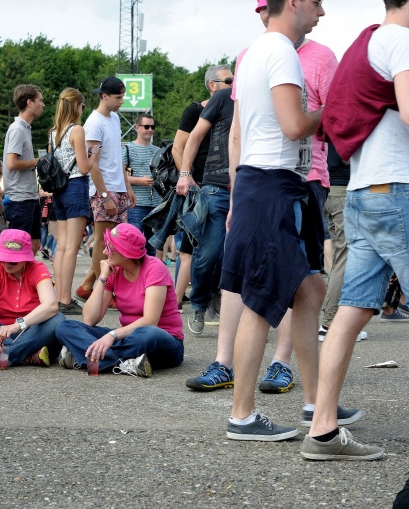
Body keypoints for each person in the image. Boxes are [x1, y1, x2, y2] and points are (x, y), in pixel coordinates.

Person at [222, 0, 361, 442]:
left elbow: (246, 130)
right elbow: (295, 125)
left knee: (312, 288)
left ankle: (315, 403)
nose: (321, 12)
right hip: (271, 186)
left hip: (275, 184)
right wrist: (333, 108)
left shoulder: (256, 52)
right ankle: (242, 415)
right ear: (296, 2)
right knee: (261, 300)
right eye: (317, 3)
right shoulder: (279, 51)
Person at [303, 0, 409, 461]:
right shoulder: (402, 41)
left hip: (365, 192)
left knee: (352, 311)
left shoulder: (363, 44)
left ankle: (323, 431)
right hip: (397, 190)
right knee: (352, 311)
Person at [56, 224, 184, 377]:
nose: (104, 252)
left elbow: (150, 321)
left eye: (109, 248)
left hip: (162, 340)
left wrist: (111, 336)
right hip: (127, 338)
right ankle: (122, 364)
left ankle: (88, 358)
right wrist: (102, 278)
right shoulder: (114, 270)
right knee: (64, 326)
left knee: (147, 334)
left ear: (126, 253)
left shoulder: (155, 268)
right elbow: (89, 319)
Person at [177, 66, 235, 335]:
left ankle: (227, 300)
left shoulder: (259, 99)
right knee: (208, 253)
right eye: (229, 79)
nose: (234, 82)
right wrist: (186, 175)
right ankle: (199, 303)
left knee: (236, 254)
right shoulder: (218, 101)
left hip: (247, 187)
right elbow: (190, 140)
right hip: (213, 187)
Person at [0, 229, 65, 367]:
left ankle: (3, 355)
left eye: (13, 260)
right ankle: (28, 356)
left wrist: (17, 325)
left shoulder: (38, 269)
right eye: (4, 258)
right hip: (1, 334)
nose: (7, 264)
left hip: (34, 332)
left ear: (26, 257)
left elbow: (51, 305)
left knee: (58, 320)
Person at [74, 77, 136, 303]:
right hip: (104, 189)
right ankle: (101, 291)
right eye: (118, 97)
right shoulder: (94, 123)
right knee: (103, 241)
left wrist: (127, 185)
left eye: (123, 97)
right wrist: (104, 195)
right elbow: (93, 165)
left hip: (117, 187)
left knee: (117, 243)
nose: (122, 101)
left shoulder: (115, 118)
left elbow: (117, 155)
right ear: (104, 96)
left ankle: (87, 286)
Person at [48, 88, 100, 315]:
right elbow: (83, 167)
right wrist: (94, 154)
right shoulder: (77, 130)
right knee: (72, 246)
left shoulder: (53, 132)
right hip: (75, 187)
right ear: (76, 106)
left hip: (58, 190)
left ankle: (59, 296)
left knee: (61, 247)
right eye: (82, 105)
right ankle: (66, 298)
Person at [2, 84, 45, 254]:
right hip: (20, 199)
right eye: (40, 101)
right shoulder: (18, 129)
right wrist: (36, 161)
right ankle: (10, 280)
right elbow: (11, 163)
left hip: (29, 196)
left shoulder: (25, 128)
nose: (43, 105)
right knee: (17, 249)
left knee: (34, 245)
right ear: (29, 102)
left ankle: (25, 280)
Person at [123, 114, 160, 259]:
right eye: (146, 126)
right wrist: (140, 180)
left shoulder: (158, 150)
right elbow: (120, 175)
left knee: (152, 247)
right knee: (134, 243)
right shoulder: (127, 148)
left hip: (156, 205)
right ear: (137, 127)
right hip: (136, 204)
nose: (150, 130)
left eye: (152, 127)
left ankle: (150, 276)